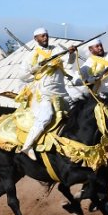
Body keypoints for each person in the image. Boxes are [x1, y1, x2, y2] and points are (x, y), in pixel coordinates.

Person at [20, 27, 76, 159]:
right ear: (36, 39)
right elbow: (22, 75)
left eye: (46, 35)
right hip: (44, 91)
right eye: (42, 36)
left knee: (76, 112)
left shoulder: (56, 49)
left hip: (61, 90)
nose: (45, 38)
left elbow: (70, 62)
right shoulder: (31, 55)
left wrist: (72, 53)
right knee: (47, 116)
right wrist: (38, 66)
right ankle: (27, 146)